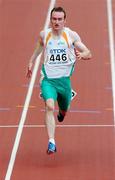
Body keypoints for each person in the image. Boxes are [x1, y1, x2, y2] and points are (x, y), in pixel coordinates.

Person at [26, 7, 92, 154]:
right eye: (54, 19)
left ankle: (63, 110)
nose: (57, 22)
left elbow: (88, 52)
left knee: (63, 110)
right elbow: (39, 48)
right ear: (51, 20)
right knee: (49, 106)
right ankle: (51, 142)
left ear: (64, 21)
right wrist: (31, 62)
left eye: (59, 19)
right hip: (48, 79)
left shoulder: (71, 35)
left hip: (64, 81)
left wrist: (83, 55)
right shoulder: (45, 35)